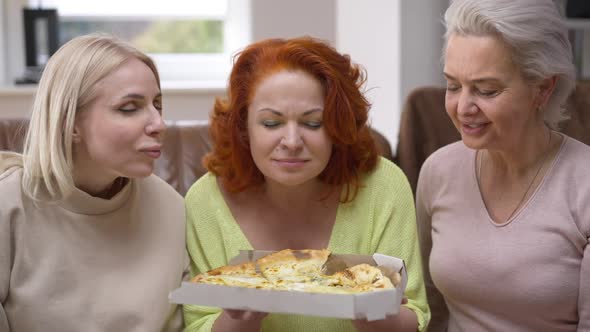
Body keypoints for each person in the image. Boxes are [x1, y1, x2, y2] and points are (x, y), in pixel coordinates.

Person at [183, 37, 430, 331]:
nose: (291, 142)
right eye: (271, 123)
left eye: (313, 123)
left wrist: (375, 314)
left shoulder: (383, 185)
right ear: (243, 127)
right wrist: (239, 321)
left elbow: (415, 316)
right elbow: (198, 323)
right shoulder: (206, 200)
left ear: (337, 127)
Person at [416, 0, 589, 331]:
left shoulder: (584, 186)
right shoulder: (438, 172)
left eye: (486, 90)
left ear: (542, 88)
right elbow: (428, 306)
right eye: (453, 86)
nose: (463, 106)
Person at [0, 34, 187, 331]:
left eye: (158, 105)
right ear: (70, 123)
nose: (158, 124)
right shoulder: (8, 206)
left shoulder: (171, 207)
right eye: (129, 108)